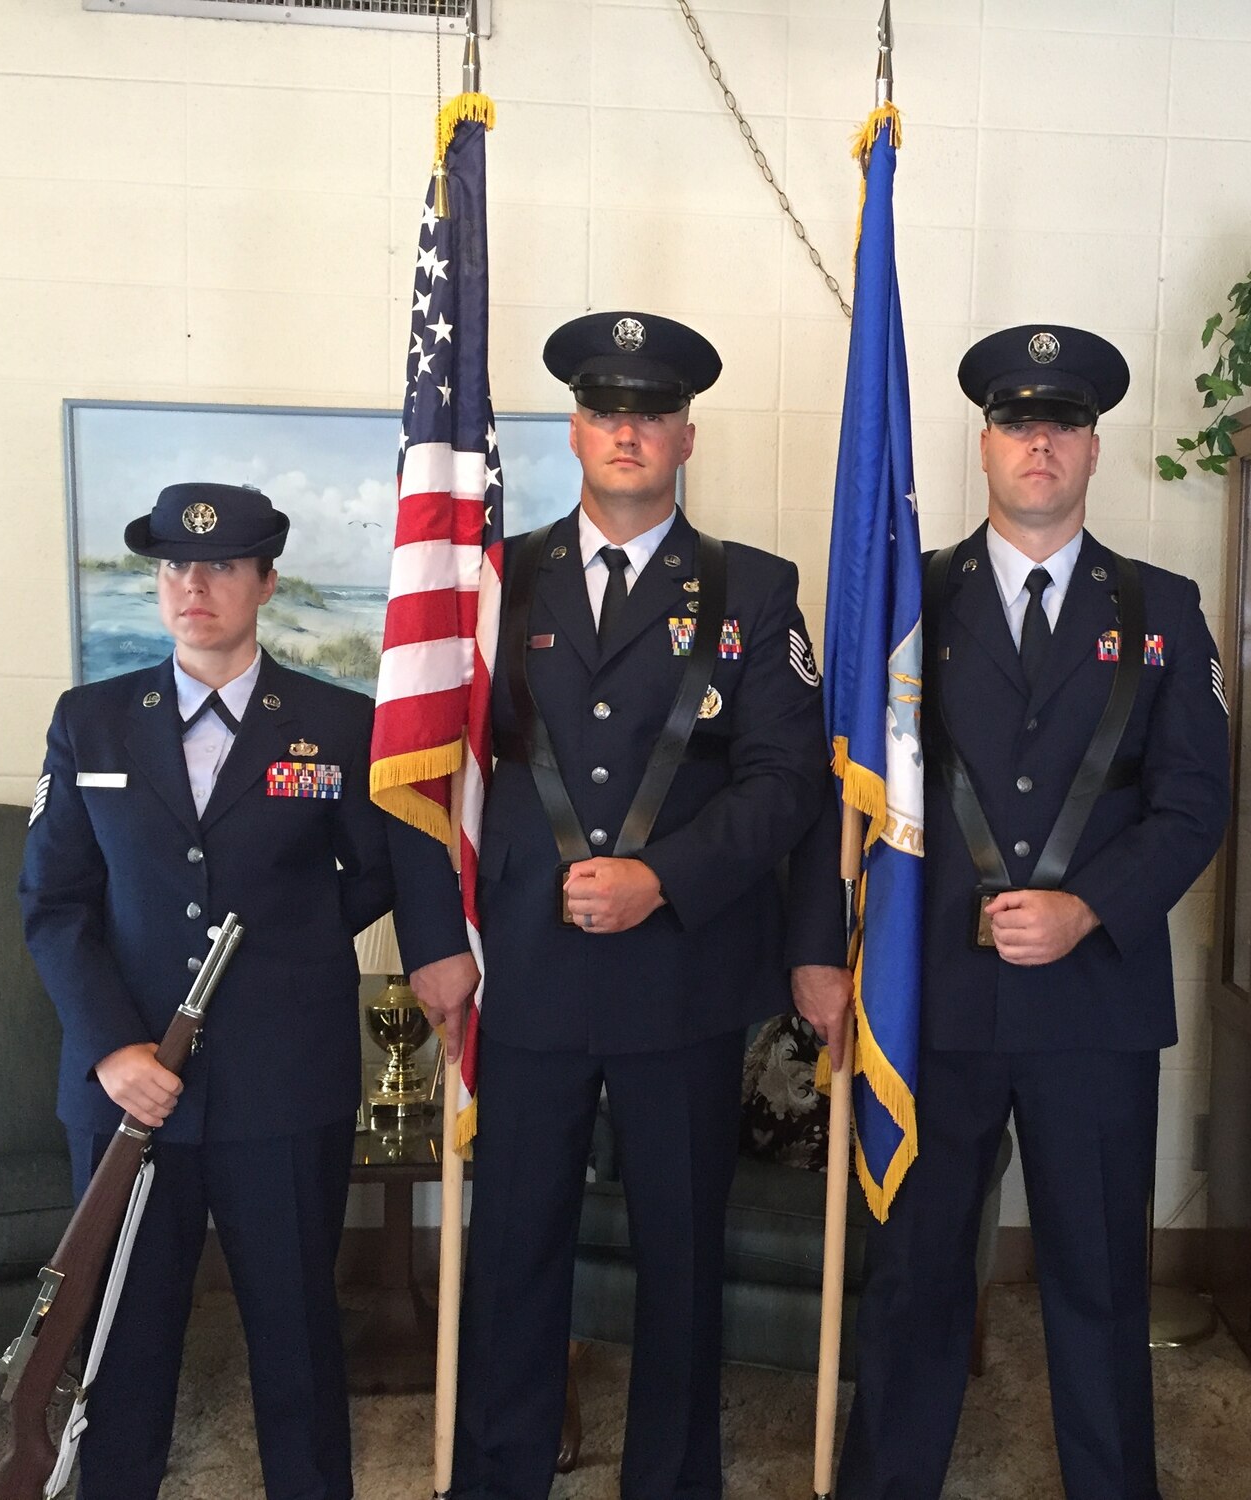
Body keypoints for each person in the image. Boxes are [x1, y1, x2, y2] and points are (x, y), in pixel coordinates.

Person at [390, 311, 829, 1500]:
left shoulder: (753, 590)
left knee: (681, 1256)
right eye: (602, 410)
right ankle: (499, 1473)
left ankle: (673, 1481)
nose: (626, 431)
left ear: (686, 434)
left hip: (678, 977)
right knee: (515, 1248)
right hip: (518, 971)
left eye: (649, 412)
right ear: (575, 430)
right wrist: (431, 943)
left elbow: (786, 781)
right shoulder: (493, 583)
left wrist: (663, 877)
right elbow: (426, 760)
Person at [790, 324, 1233, 1499]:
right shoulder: (906, 604)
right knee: (917, 1278)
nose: (1039, 445)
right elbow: (834, 789)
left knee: (1098, 1285)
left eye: (1063, 426)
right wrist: (816, 955)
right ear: (981, 445)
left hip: (1093, 1004)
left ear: (1092, 450)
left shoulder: (1161, 611)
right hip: (931, 999)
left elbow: (1196, 804)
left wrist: (1090, 906)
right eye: (1016, 424)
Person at [20, 482, 395, 1500]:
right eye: (177, 566)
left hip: (284, 1084)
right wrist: (111, 1051)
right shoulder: (89, 722)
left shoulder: (337, 723)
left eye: (224, 565)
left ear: (266, 582)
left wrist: (279, 954)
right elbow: (53, 904)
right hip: (126, 1091)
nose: (196, 584)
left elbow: (375, 871)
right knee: (123, 1343)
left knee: (296, 1338)